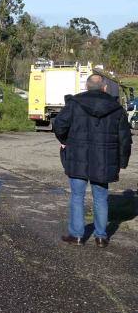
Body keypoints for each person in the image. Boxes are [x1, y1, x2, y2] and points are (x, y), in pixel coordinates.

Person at [54, 74, 131, 247]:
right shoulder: (116, 107)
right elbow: (125, 138)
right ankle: (101, 237)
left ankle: (77, 235)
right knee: (101, 198)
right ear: (104, 88)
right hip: (104, 160)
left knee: (77, 197)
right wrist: (123, 161)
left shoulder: (74, 103)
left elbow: (59, 125)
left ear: (87, 87)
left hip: (77, 157)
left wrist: (65, 141)